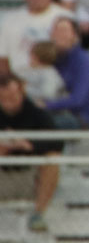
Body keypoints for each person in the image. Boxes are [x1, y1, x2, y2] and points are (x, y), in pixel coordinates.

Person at [0, 72, 62, 232]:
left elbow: (57, 142)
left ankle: (38, 214)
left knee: (53, 159)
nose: (8, 103)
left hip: (29, 174)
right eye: (3, 98)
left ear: (21, 92)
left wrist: (29, 145)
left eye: (13, 97)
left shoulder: (37, 114)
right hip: (3, 173)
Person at [0, 0, 72, 82]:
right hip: (19, 85)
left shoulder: (66, 18)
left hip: (56, 83)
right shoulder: (9, 21)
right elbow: (2, 61)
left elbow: (74, 58)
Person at [44, 16, 89, 130]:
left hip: (78, 117)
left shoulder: (83, 61)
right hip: (50, 113)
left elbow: (78, 100)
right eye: (56, 30)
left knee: (41, 123)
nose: (59, 35)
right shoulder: (47, 58)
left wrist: (46, 106)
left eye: (64, 31)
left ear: (75, 36)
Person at [22, 41, 65, 108]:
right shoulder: (34, 71)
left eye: (31, 55)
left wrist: (24, 88)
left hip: (50, 111)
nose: (29, 58)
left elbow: (48, 93)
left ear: (36, 57)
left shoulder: (49, 74)